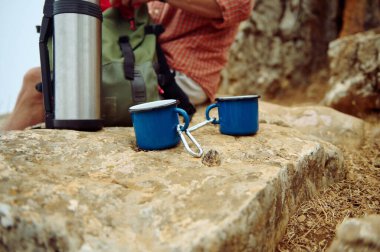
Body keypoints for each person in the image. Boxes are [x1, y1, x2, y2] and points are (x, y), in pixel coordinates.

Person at [2, 0, 254, 131]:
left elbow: (235, 7)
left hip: (181, 79)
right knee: (35, 78)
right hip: (143, 63)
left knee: (43, 87)